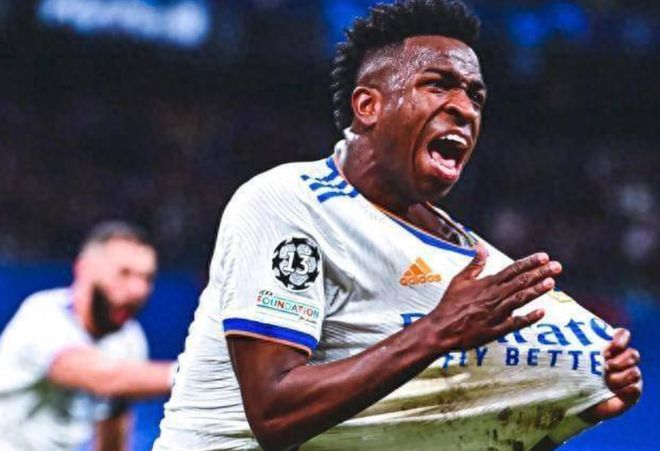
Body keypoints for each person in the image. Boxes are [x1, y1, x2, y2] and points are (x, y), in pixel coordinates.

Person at [154, 1, 642, 450]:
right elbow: (274, 412)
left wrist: (574, 399)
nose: (465, 108)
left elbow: (448, 423)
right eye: (438, 84)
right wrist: (439, 330)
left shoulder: (464, 254)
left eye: (475, 95)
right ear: (368, 106)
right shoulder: (290, 201)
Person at [0, 221, 176, 451]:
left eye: (147, 278)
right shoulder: (43, 314)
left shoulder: (129, 339)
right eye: (124, 273)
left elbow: (113, 429)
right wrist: (194, 374)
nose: (138, 290)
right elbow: (102, 377)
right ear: (83, 269)